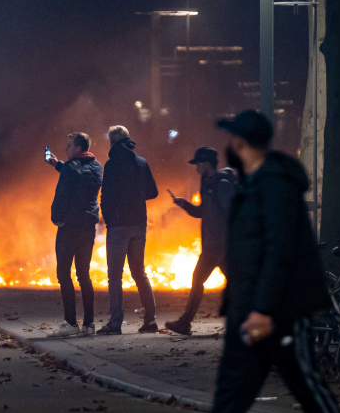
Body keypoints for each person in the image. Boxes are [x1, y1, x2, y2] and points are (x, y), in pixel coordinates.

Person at [201, 110, 340, 413]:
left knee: (310, 392)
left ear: (240, 143)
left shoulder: (275, 183)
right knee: (229, 396)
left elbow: (280, 251)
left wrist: (263, 310)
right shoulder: (252, 183)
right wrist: (241, 307)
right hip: (248, 312)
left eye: (232, 141)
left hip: (278, 314)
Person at [166, 147, 237, 335]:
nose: (196, 167)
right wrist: (184, 204)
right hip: (216, 244)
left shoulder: (221, 184)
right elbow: (202, 212)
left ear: (205, 164)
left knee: (197, 280)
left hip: (219, 245)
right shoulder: (208, 182)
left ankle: (185, 322)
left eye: (197, 163)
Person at [98, 125, 159, 335]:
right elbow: (153, 192)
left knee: (115, 276)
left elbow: (105, 196)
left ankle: (115, 323)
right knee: (139, 272)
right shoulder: (141, 162)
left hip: (119, 226)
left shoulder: (111, 164)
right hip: (139, 224)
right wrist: (136, 196)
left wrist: (110, 219)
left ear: (112, 143)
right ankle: (150, 321)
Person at [45, 133, 103, 338]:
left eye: (69, 146)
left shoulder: (71, 168)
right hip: (88, 227)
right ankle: (89, 324)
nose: (66, 149)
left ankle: (70, 323)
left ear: (78, 148)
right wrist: (58, 164)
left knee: (63, 273)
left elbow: (61, 193)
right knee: (83, 274)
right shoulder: (97, 167)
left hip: (69, 227)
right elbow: (80, 177)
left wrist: (56, 218)